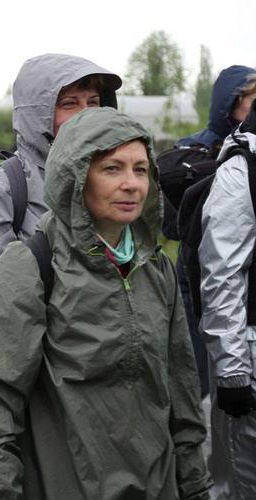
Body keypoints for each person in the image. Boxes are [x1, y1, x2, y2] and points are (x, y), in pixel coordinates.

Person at [0, 106, 213, 499]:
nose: (131, 184)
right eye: (112, 168)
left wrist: (195, 488)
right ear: (74, 176)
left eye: (140, 169)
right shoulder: (30, 266)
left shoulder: (156, 267)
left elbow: (181, 395)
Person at [0, 53, 122, 340]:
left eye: (93, 102)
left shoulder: (116, 186)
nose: (86, 115)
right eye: (69, 104)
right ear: (37, 114)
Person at [165, 66, 256, 399]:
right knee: (197, 367)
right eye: (252, 100)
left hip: (243, 273)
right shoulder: (191, 152)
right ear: (229, 105)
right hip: (196, 272)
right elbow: (169, 225)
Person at [199, 97, 256, 498]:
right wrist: (233, 370)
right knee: (242, 483)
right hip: (250, 358)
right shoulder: (242, 168)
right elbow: (221, 272)